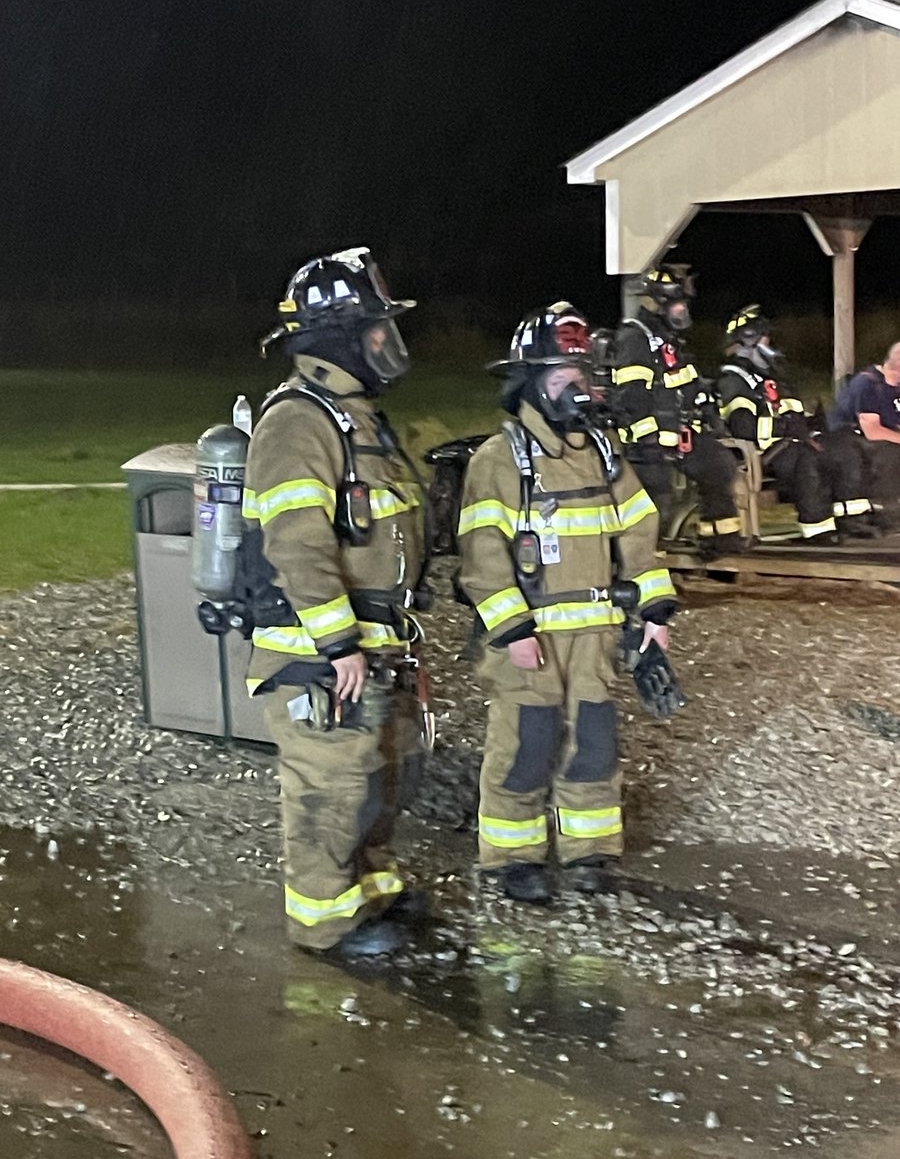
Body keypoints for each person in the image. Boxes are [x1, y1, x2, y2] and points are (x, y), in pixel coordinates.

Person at [457, 302, 683, 905]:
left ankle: (589, 855)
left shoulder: (603, 454)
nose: (580, 387)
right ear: (531, 379)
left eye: (584, 374)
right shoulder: (501, 459)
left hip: (596, 631)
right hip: (531, 638)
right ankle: (511, 859)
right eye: (565, 375)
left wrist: (655, 611)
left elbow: (640, 531)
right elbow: (482, 555)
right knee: (526, 744)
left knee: (594, 742)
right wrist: (510, 630)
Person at [241, 247, 429, 958]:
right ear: (337, 336)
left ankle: (371, 890)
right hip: (318, 655)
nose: (387, 342)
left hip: (374, 643)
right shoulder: (299, 421)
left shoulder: (360, 421)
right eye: (375, 329)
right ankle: (324, 926)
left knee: (383, 775)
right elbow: (297, 542)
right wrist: (337, 642)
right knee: (329, 786)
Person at [613, 265, 744, 556]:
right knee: (660, 494)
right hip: (648, 441)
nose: (682, 311)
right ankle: (644, 558)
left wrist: (710, 416)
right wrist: (648, 439)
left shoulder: (671, 341)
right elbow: (632, 394)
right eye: (677, 305)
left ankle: (720, 541)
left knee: (719, 466)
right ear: (658, 305)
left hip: (681, 434)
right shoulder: (635, 338)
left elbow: (690, 384)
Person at [718, 305, 878, 543]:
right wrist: (785, 429)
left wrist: (814, 423)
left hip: (793, 441)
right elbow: (743, 427)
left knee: (845, 445)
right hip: (763, 452)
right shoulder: (734, 380)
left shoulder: (776, 378)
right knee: (808, 457)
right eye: (765, 338)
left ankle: (852, 519)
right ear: (748, 342)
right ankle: (816, 529)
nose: (770, 343)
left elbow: (793, 414)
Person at [830, 342, 900, 523]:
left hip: (882, 439)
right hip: (850, 441)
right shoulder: (868, 383)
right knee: (891, 454)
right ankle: (886, 514)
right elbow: (872, 431)